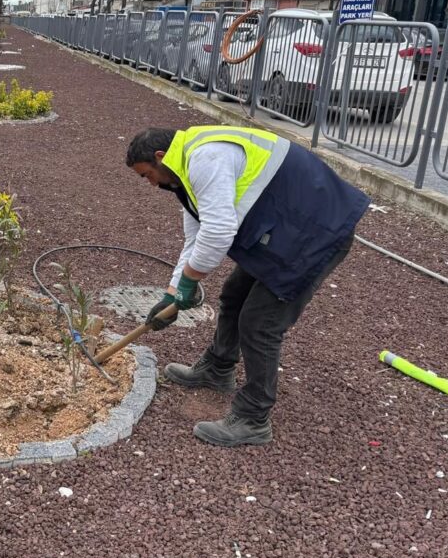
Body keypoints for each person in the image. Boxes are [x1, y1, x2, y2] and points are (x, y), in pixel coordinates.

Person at [126, 125, 368, 446]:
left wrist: (188, 283)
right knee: (234, 295)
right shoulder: (185, 168)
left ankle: (254, 417)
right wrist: (173, 294)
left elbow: (219, 231)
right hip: (288, 228)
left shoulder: (205, 158)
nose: (150, 184)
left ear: (160, 157)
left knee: (259, 324)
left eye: (146, 175)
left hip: (316, 232)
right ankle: (218, 367)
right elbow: (195, 237)